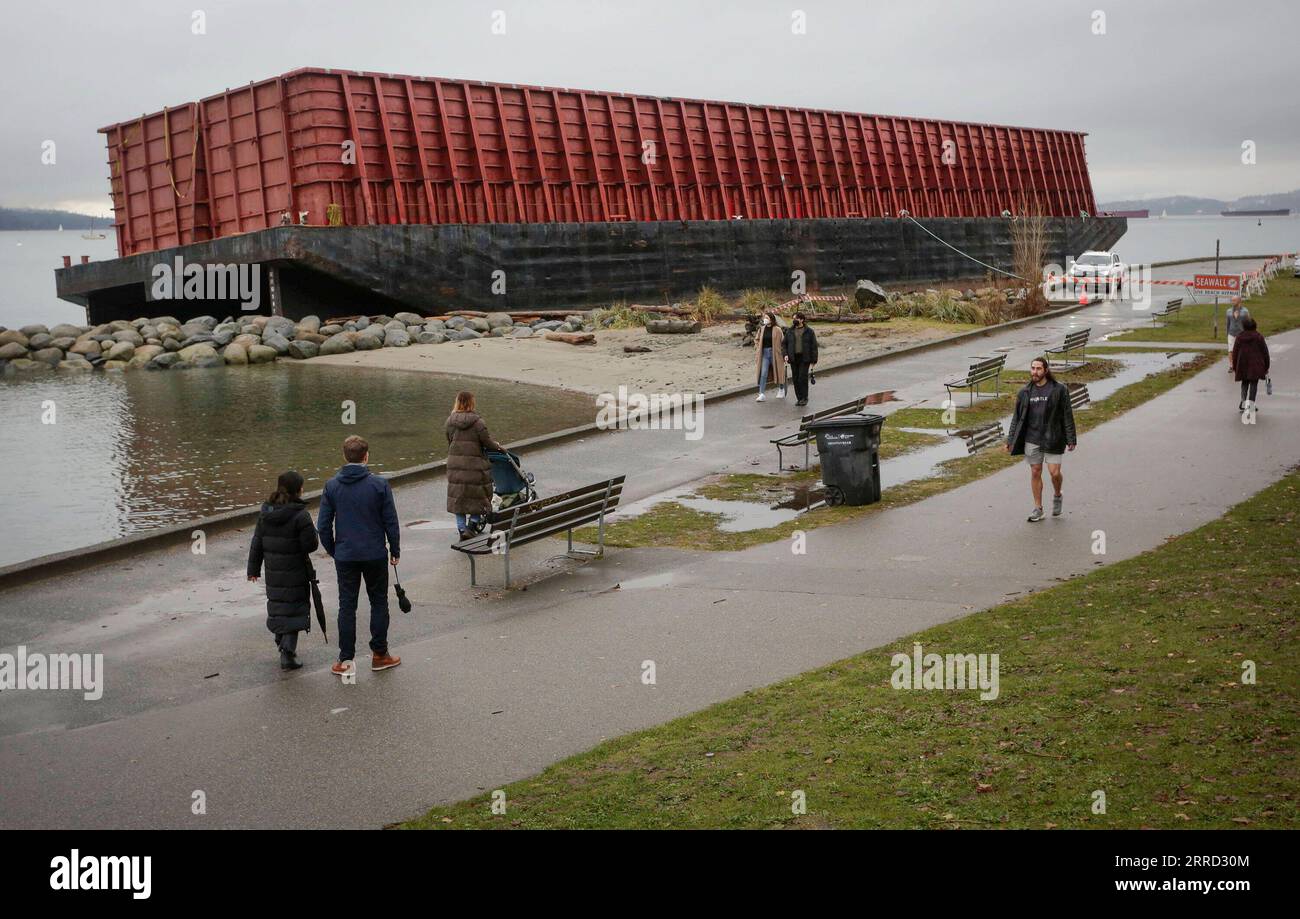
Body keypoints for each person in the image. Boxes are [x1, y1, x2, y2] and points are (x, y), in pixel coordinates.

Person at [317, 435, 401, 677]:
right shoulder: (379, 485)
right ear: (366, 456)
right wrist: (394, 550)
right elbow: (390, 521)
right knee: (378, 602)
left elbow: (323, 526)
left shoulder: (332, 486)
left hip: (346, 555)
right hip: (374, 552)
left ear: (345, 456)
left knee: (347, 606)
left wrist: (334, 550)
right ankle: (380, 654)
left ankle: (345, 660)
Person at [246, 470, 318, 671]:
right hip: (295, 571)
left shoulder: (266, 511)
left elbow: (257, 541)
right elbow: (310, 546)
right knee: (294, 607)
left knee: (279, 605)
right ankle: (288, 653)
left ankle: (280, 639)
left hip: (273, 571)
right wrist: (313, 531)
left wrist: (253, 569)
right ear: (298, 490)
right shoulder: (300, 515)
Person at [1005, 357, 1077, 522]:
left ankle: (1058, 494)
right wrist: (1011, 439)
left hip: (1053, 437)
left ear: (1045, 370)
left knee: (1054, 473)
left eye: (1038, 369)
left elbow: (1067, 414)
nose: (1035, 372)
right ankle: (1038, 508)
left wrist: (1071, 437)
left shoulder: (1059, 390)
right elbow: (1017, 418)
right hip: (1032, 438)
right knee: (1035, 471)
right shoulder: (1024, 392)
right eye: (1032, 368)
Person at [446, 390, 504, 541]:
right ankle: (471, 526)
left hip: (455, 465)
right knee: (478, 497)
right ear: (472, 402)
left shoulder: (450, 421)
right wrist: (498, 446)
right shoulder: (478, 423)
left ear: (457, 402)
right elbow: (487, 443)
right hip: (475, 466)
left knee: (459, 498)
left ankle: (461, 528)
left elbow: (449, 440)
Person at [1231, 317, 1270, 412]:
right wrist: (1266, 366)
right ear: (1254, 325)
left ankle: (1243, 402)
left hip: (1242, 364)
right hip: (1255, 365)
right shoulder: (1258, 337)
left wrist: (1234, 365)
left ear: (1243, 326)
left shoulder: (1239, 337)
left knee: (1244, 383)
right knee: (1253, 384)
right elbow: (1265, 352)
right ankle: (1251, 404)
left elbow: (1235, 352)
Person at [784, 311, 818, 406]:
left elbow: (814, 346)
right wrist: (785, 354)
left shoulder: (809, 331)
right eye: (793, 318)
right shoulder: (789, 331)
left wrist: (814, 360)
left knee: (802, 378)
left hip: (804, 358)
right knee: (795, 379)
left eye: (796, 318)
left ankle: (804, 397)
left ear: (802, 320)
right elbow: (784, 344)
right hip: (793, 358)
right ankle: (799, 398)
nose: (794, 320)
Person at [754, 311, 786, 402]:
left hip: (775, 353)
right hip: (764, 353)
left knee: (779, 371)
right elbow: (756, 339)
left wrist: (783, 353)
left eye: (767, 318)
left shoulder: (777, 329)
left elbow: (783, 342)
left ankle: (781, 389)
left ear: (771, 319)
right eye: (764, 317)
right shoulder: (762, 329)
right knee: (763, 373)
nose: (765, 319)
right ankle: (761, 393)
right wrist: (758, 348)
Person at [1225, 298, 1250, 374]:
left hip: (1241, 333)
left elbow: (1248, 322)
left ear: (1239, 301)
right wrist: (1227, 333)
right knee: (1231, 350)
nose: (1232, 302)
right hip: (1231, 333)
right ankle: (1231, 366)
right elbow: (1228, 323)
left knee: (1242, 350)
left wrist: (1248, 333)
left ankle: (1242, 365)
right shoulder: (1228, 311)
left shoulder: (1245, 311)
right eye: (1232, 300)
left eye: (1234, 300)